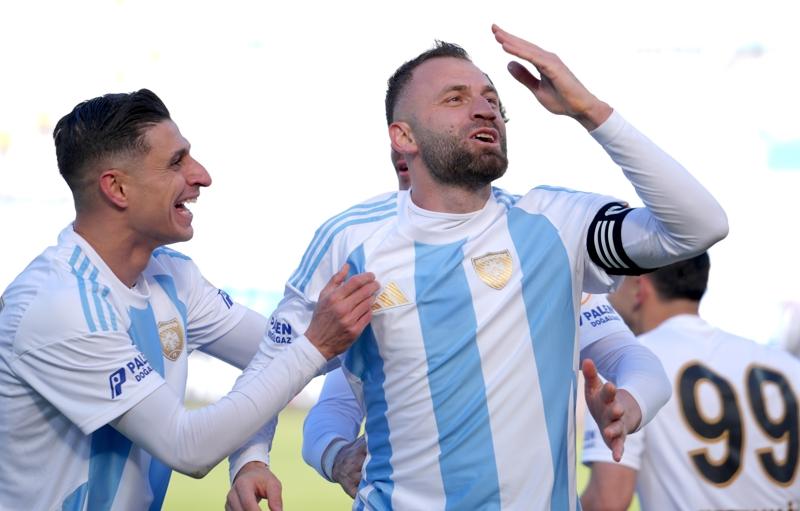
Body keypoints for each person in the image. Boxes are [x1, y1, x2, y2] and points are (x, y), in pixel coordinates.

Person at [229, 24, 728, 510]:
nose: (485, 107)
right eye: (455, 98)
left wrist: (590, 110)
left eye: (492, 98)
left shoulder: (557, 226)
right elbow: (274, 367)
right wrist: (258, 461)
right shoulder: (351, 241)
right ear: (403, 137)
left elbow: (698, 226)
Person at [0, 89, 378, 511]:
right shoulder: (59, 305)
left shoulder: (173, 277)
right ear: (117, 188)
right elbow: (187, 447)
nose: (202, 176)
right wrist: (316, 343)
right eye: (176, 162)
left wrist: (250, 458)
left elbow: (274, 358)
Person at [302, 292, 669, 499]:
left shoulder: (551, 246)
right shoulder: (377, 267)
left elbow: (637, 362)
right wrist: (336, 457)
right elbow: (334, 405)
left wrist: (629, 404)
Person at [581, 253, 800, 510]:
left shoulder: (627, 371)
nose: (609, 293)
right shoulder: (787, 366)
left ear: (639, 286)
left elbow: (607, 501)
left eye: (616, 279)